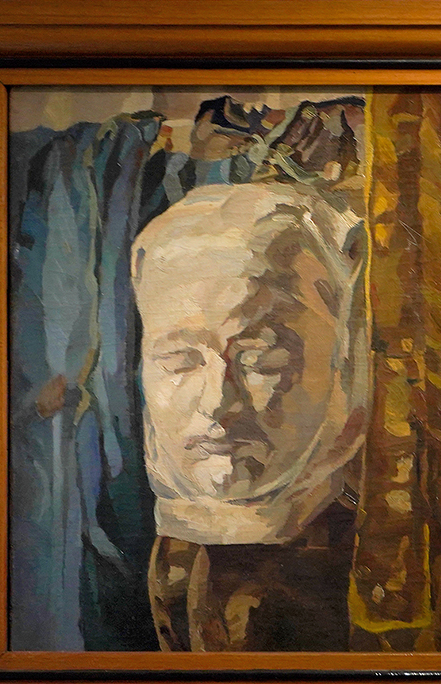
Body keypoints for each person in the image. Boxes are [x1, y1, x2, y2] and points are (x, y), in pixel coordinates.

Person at [130, 180, 372, 650]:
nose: (218, 402)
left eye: (262, 358)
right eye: (180, 360)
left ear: (342, 361)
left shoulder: (369, 559)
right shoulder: (175, 562)